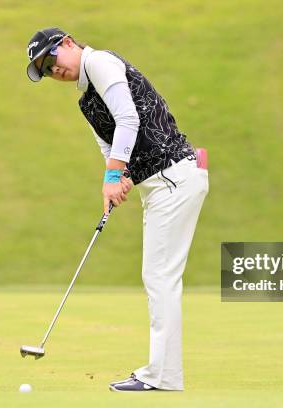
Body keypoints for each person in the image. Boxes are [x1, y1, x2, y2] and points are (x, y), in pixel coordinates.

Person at [25, 27, 208, 392]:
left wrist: (115, 172)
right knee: (157, 277)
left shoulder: (101, 62)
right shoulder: (86, 101)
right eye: (44, 71)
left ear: (67, 43)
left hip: (173, 177)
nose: (52, 71)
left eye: (51, 59)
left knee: (160, 277)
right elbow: (109, 145)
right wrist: (115, 177)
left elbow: (128, 118)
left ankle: (164, 376)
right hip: (159, 186)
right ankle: (162, 373)